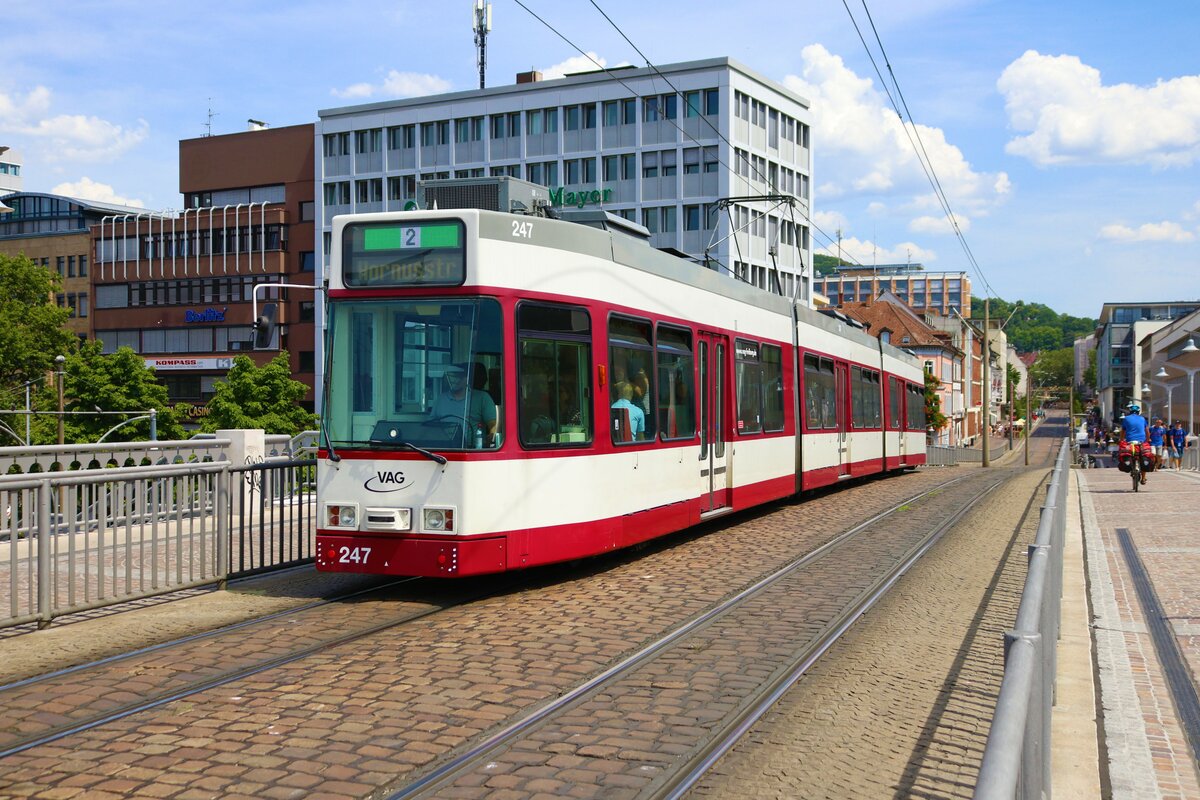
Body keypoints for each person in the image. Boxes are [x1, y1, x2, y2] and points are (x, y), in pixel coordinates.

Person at [431, 363, 497, 445]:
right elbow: (430, 426)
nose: (454, 380)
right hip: (444, 448)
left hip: (472, 450)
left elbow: (493, 425)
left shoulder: (482, 398)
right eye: (451, 376)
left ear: (467, 378)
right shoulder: (440, 399)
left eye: (458, 376)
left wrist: (490, 441)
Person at [1121, 403, 1150, 484]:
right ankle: (1143, 478)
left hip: (1130, 441)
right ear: (1138, 412)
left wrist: (1121, 440)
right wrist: (1148, 439)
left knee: (1130, 454)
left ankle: (1131, 468)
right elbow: (1147, 431)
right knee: (1143, 457)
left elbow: (1123, 431)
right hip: (1141, 442)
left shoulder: (1126, 419)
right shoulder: (1143, 419)